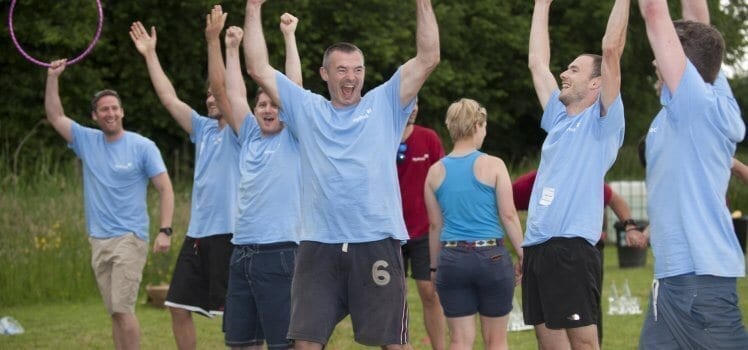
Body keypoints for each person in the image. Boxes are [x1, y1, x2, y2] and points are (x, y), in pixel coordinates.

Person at [242, 0, 440, 347]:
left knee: (393, 341)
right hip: (319, 243)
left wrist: (422, 4)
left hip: (376, 239)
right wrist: (253, 7)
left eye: (357, 70)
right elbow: (257, 67)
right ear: (324, 74)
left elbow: (428, 59)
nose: (351, 77)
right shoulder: (306, 108)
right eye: (342, 70)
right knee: (304, 341)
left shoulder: (385, 103)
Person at [637, 0, 748, 348]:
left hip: (699, 284)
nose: (656, 58)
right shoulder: (716, 92)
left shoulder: (694, 103)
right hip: (673, 282)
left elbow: (654, 10)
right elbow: (700, 23)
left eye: (664, 52)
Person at [128, 6, 239, 349]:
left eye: (214, 94)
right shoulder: (203, 129)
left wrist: (214, 42)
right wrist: (150, 55)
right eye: (206, 94)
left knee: (238, 316)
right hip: (198, 234)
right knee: (177, 306)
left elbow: (223, 88)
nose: (210, 97)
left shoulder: (241, 129)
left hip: (231, 233)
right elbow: (168, 97)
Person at [44, 59, 174, 350]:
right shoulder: (86, 141)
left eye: (115, 108)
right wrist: (53, 77)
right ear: (95, 115)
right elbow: (55, 116)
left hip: (129, 237)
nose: (110, 113)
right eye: (104, 109)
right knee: (114, 313)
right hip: (98, 239)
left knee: (124, 310)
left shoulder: (142, 146)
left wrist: (165, 230)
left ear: (122, 112)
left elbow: (165, 188)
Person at [523, 0, 629, 348]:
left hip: (571, 248)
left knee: (583, 343)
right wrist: (542, 5)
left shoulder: (602, 124)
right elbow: (537, 63)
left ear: (596, 83)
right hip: (536, 246)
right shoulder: (557, 117)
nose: (563, 75)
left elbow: (611, 48)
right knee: (548, 343)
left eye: (573, 70)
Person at [220, 12, 303, 350]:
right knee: (241, 342)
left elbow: (292, 90)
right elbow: (233, 93)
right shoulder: (249, 137)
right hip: (241, 251)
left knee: (282, 344)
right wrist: (230, 48)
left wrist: (288, 37)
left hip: (281, 252)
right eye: (262, 104)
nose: (269, 109)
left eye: (274, 104)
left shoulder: (294, 137)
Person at [423, 98, 524, 350]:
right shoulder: (494, 165)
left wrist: (434, 269)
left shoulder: (434, 172)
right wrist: (524, 253)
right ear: (478, 125)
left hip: (452, 258)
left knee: (460, 340)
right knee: (496, 340)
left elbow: (435, 226)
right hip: (492, 258)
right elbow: (509, 215)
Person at [512, 169, 646, 345]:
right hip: (545, 253)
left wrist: (629, 226)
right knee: (554, 326)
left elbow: (614, 198)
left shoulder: (582, 174)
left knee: (586, 318)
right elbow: (505, 203)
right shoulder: (538, 178)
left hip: (584, 252)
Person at [397, 100, 446, 350]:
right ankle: (402, 345)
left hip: (424, 231)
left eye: (417, 102)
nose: (414, 107)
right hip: (390, 232)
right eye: (409, 102)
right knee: (395, 297)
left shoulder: (429, 138)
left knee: (429, 291)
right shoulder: (382, 137)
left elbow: (443, 181)